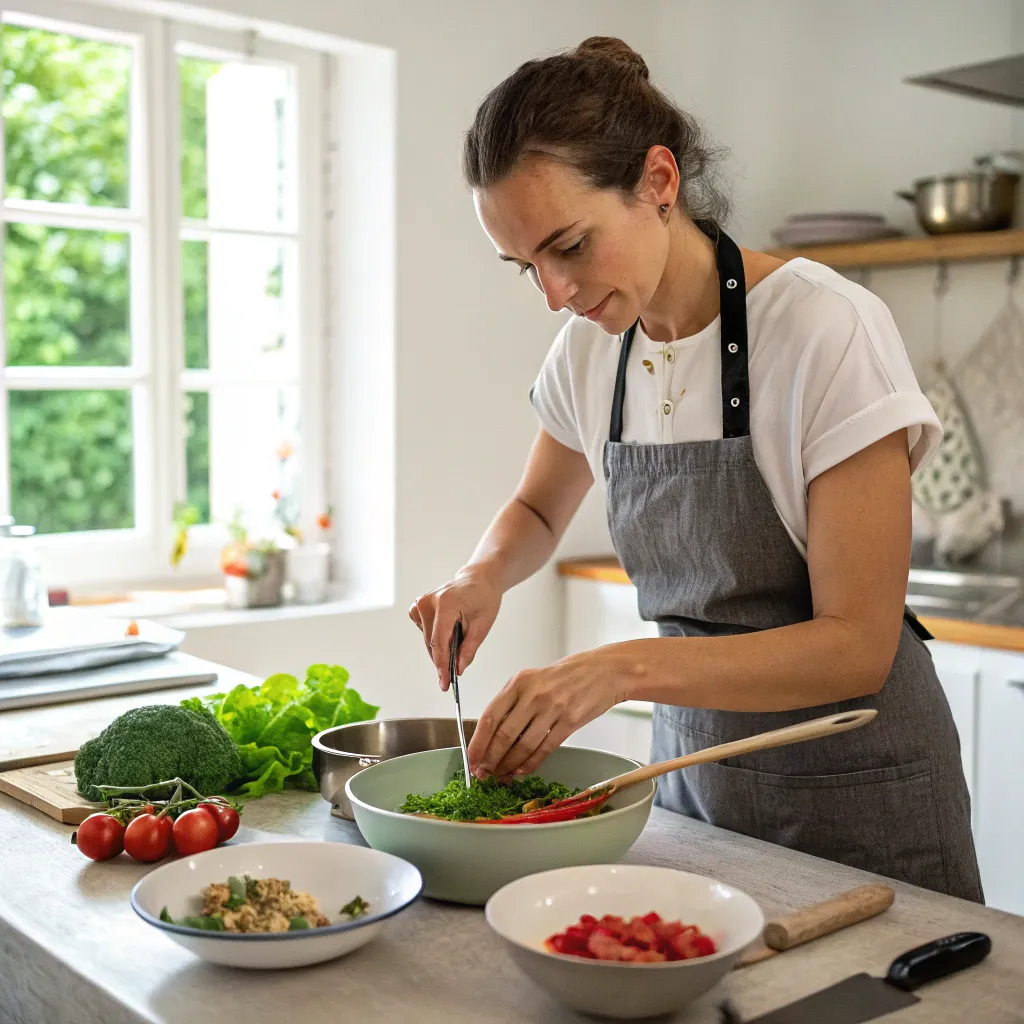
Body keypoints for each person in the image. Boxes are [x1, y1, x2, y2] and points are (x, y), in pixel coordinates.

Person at [409, 36, 982, 901]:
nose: (554, 294)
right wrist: (481, 575)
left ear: (660, 183)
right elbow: (535, 510)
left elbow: (857, 645)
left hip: (860, 791)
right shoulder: (588, 350)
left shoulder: (826, 330)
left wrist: (622, 667)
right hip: (694, 783)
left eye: (568, 245)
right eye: (526, 266)